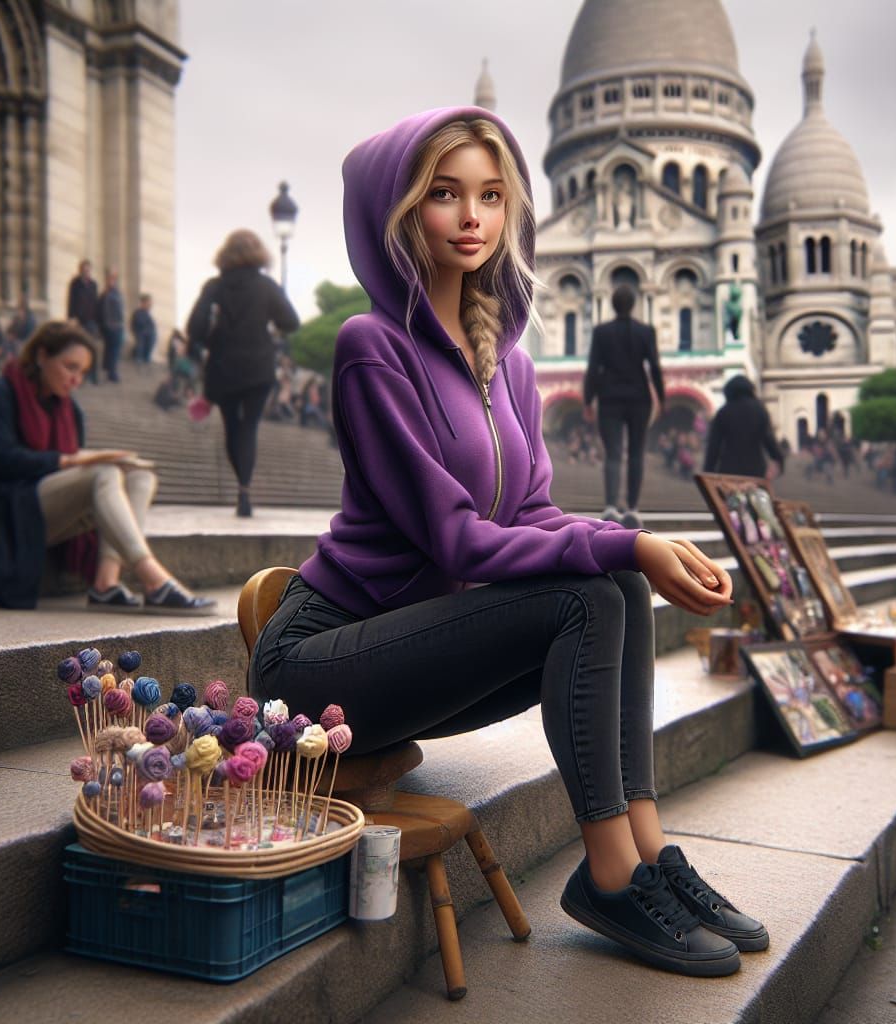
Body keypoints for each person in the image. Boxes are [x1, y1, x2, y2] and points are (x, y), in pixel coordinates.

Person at [248, 107, 767, 977]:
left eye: (491, 195)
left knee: (617, 587)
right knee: (595, 583)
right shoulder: (370, 348)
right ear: (400, 211)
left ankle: (646, 855)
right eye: (444, 194)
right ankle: (607, 877)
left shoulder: (514, 364)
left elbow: (530, 515)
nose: (472, 216)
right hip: (320, 664)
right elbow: (458, 543)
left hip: (421, 646)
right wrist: (623, 546)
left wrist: (633, 543)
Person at [0, 320, 216, 614]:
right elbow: (0, 460)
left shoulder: (69, 409)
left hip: (39, 505)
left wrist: (85, 459)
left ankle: (106, 582)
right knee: (104, 473)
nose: (76, 379)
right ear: (41, 356)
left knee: (139, 475)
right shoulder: (2, 393)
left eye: (83, 372)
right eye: (70, 367)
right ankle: (153, 579)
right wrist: (69, 460)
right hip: (0, 510)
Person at [186, 229, 300, 517]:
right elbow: (291, 321)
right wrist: (269, 325)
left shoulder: (215, 285)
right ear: (258, 253)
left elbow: (194, 328)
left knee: (232, 427)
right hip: (258, 366)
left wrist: (210, 333)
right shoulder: (266, 286)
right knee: (249, 426)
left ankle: (242, 483)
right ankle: (244, 490)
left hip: (223, 367)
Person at [583, 284, 664, 529]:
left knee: (613, 453)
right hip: (639, 397)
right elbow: (654, 367)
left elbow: (594, 368)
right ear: (634, 304)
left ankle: (610, 506)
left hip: (609, 397)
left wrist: (588, 400)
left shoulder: (601, 332)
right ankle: (632, 508)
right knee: (637, 452)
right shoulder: (646, 331)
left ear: (612, 305)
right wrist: (661, 396)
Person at [702, 374, 784, 479]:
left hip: (729, 470)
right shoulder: (759, 411)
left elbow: (714, 446)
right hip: (755, 470)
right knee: (756, 495)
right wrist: (779, 459)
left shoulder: (723, 412)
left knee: (731, 496)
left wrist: (708, 471)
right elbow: (769, 440)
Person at [66, 259, 100, 384]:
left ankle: (94, 375)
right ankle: (83, 375)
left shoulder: (93, 284)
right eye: (84, 270)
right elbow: (70, 301)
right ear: (80, 270)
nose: (86, 272)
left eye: (88, 270)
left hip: (91, 321)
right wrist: (70, 318)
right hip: (79, 321)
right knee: (80, 349)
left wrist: (97, 321)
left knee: (92, 348)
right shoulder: (75, 284)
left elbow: (95, 303)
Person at [97, 267, 125, 382]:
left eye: (114, 278)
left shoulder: (117, 293)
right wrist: (106, 324)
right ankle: (111, 372)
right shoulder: (106, 294)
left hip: (117, 325)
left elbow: (120, 310)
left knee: (113, 348)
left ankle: (109, 369)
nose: (113, 280)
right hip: (110, 326)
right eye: (111, 278)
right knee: (113, 349)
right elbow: (103, 310)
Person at [131, 292, 157, 366]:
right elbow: (138, 326)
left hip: (147, 347)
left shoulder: (148, 314)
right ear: (143, 303)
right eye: (149, 302)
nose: (150, 305)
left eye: (150, 303)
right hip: (142, 343)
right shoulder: (138, 313)